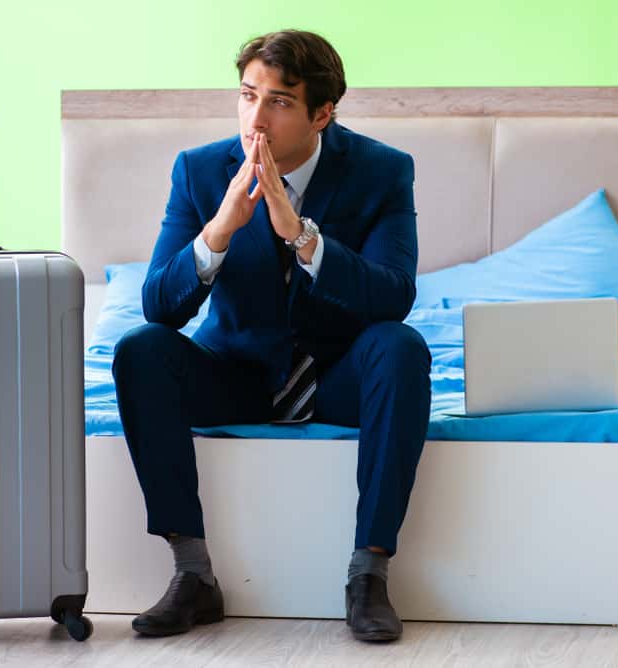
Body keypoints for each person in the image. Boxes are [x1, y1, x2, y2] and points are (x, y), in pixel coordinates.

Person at [113, 29, 431, 643]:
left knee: (400, 346)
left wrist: (303, 237)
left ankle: (369, 573)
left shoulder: (383, 171)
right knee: (139, 350)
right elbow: (158, 305)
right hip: (237, 377)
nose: (255, 117)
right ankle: (193, 574)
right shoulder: (199, 170)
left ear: (323, 112)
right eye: (247, 95)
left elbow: (395, 293)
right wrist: (219, 231)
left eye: (280, 101)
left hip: (336, 380)